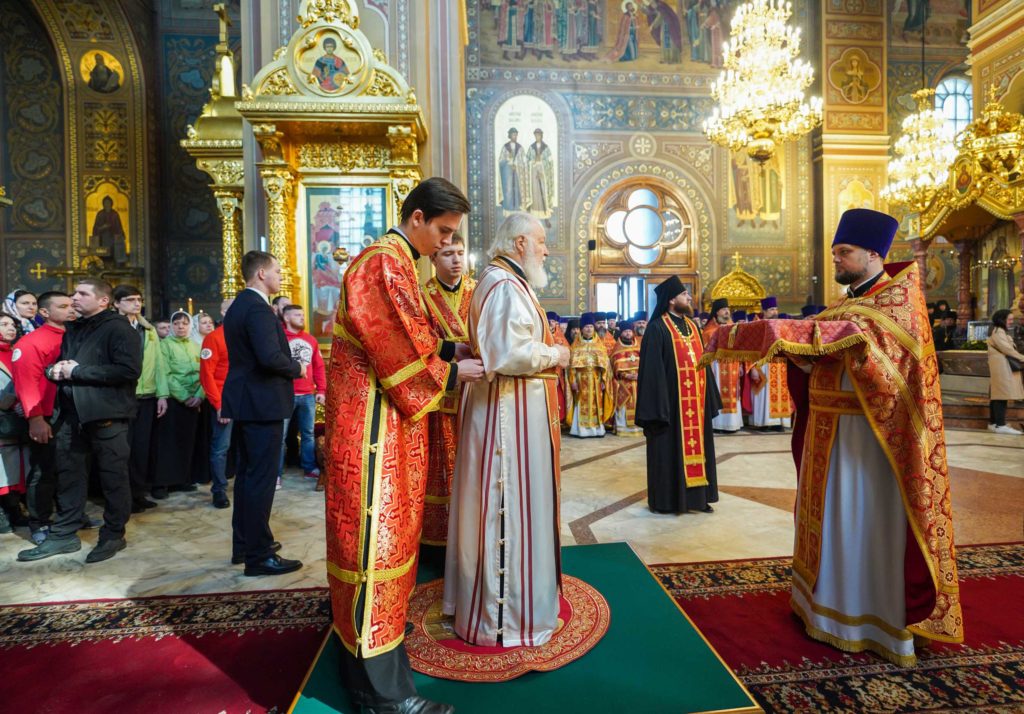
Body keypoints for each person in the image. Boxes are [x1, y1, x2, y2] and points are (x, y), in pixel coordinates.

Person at [704, 208, 964, 665]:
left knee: (861, 521)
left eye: (844, 252)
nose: (836, 260)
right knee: (831, 520)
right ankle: (821, 608)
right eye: (835, 252)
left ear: (873, 254)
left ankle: (869, 620)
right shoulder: (844, 306)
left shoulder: (898, 303)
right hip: (828, 435)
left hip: (872, 442)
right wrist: (798, 356)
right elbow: (823, 352)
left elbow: (881, 366)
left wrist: (811, 342)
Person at [324, 177, 483, 714]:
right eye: (443, 231)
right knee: (375, 545)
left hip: (389, 427)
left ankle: (371, 657)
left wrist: (450, 349)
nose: (446, 244)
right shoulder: (383, 263)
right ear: (417, 218)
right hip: (373, 435)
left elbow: (412, 334)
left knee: (387, 547)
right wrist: (455, 372)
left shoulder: (398, 263)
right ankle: (383, 696)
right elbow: (395, 351)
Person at [444, 211, 568, 648]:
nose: (546, 250)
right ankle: (505, 620)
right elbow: (507, 354)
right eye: (541, 241)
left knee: (515, 508)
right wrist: (555, 354)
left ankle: (511, 610)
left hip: (511, 413)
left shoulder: (506, 281)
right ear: (520, 243)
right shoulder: (503, 285)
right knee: (508, 508)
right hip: (506, 421)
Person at [17, 279, 141, 563]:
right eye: (74, 293)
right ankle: (64, 535)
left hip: (107, 415)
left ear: (103, 301)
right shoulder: (74, 327)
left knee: (113, 479)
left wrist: (78, 372)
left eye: (83, 293)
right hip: (71, 416)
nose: (74, 297)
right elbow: (63, 365)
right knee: (69, 477)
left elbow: (128, 370)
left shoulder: (119, 328)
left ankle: (113, 535)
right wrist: (53, 370)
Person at [222, 251, 305, 576]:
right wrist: (297, 368)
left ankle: (245, 545)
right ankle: (259, 556)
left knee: (247, 477)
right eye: (278, 271)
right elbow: (270, 357)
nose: (281, 276)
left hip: (248, 401)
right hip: (261, 403)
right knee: (260, 480)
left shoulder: (240, 305)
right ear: (261, 273)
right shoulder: (257, 308)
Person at [635, 277, 719, 514]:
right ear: (671, 300)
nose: (689, 298)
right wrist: (659, 407)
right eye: (684, 294)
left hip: (696, 404)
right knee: (669, 451)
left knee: (700, 449)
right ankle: (667, 501)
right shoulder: (657, 328)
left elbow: (703, 363)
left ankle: (697, 499)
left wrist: (709, 398)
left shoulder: (693, 326)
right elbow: (652, 372)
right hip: (671, 406)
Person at [420, 233, 476, 546]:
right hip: (440, 395)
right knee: (441, 465)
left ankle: (474, 534)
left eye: (460, 253)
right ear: (433, 259)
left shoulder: (478, 291)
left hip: (477, 392)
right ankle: (440, 539)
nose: (456, 260)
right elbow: (419, 345)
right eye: (447, 254)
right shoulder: (422, 297)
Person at [11, 291, 73, 544]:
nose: (71, 309)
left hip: (73, 413)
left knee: (72, 470)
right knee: (43, 471)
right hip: (47, 415)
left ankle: (71, 516)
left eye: (72, 305)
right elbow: (26, 383)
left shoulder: (76, 336)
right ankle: (40, 522)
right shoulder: (31, 342)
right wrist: (35, 418)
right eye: (63, 306)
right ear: (45, 312)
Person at [113, 285, 167, 513]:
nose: (137, 303)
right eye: (130, 299)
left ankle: (138, 492)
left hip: (147, 396)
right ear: (116, 303)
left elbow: (159, 363)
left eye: (139, 299)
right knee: (122, 449)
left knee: (141, 448)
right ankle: (122, 497)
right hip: (122, 396)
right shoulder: (112, 327)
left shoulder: (148, 329)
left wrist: (162, 394)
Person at [151, 311, 204, 498]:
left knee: (187, 441)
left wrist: (199, 395)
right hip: (173, 400)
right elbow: (165, 373)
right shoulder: (164, 345)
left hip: (195, 400)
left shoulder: (196, 346)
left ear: (191, 326)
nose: (181, 326)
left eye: (185, 323)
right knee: (167, 443)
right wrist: (184, 396)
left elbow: (205, 373)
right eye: (176, 323)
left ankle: (182, 479)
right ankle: (162, 483)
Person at [280, 304, 326, 487]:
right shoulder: (280, 339)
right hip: (285, 394)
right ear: (286, 318)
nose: (301, 317)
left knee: (308, 433)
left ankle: (309, 467)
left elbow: (319, 366)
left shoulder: (310, 339)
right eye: (297, 315)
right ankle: (276, 473)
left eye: (302, 314)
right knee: (280, 435)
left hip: (307, 394)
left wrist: (321, 390)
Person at [199, 298, 234, 508]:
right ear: (222, 312)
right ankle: (219, 490)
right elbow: (207, 375)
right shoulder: (214, 338)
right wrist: (219, 405)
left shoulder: (246, 335)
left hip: (246, 400)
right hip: (224, 400)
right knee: (221, 447)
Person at [747, 296, 793, 431]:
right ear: (765, 311)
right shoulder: (757, 325)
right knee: (764, 395)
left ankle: (779, 422)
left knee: (781, 394)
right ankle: (764, 422)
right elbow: (750, 348)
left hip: (780, 365)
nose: (775, 312)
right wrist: (752, 367)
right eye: (772, 309)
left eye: (776, 309)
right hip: (763, 365)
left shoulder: (782, 325)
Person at [0, 313, 27, 533]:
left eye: (12, 324)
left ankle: (15, 511)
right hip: (4, 416)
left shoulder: (18, 352)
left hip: (18, 420)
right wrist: (10, 402)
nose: (11, 328)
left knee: (15, 468)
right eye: (4, 324)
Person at [567, 312, 613, 437]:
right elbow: (570, 366)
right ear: (582, 329)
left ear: (594, 328)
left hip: (596, 379)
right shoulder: (575, 346)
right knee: (581, 404)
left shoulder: (600, 345)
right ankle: (580, 430)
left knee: (596, 404)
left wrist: (604, 380)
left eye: (591, 327)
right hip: (580, 380)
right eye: (586, 327)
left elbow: (606, 366)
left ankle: (597, 430)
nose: (589, 329)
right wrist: (573, 381)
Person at [703, 298, 742, 433]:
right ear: (717, 312)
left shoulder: (734, 328)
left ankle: (732, 424)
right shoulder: (709, 331)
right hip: (717, 368)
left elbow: (739, 349)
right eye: (724, 309)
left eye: (728, 310)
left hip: (733, 366)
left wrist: (740, 365)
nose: (727, 312)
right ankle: (718, 425)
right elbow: (705, 352)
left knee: (733, 395)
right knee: (718, 393)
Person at [986, 309, 1024, 435]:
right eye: (1009, 319)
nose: (1011, 322)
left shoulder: (999, 331)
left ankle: (994, 423)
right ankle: (1000, 425)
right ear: (1002, 319)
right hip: (1002, 367)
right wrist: (1022, 358)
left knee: (997, 394)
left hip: (1001, 366)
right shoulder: (998, 332)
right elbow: (1008, 349)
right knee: (1001, 395)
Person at [610, 321, 643, 436]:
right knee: (624, 405)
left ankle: (639, 428)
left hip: (638, 383)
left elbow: (645, 363)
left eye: (629, 331)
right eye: (625, 331)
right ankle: (623, 428)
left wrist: (640, 374)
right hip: (623, 384)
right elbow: (613, 367)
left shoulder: (639, 347)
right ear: (621, 333)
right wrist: (625, 375)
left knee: (639, 404)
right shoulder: (617, 348)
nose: (628, 333)